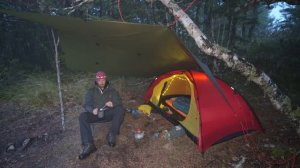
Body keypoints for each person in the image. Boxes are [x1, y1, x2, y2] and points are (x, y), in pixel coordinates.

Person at [78, 71, 124, 160]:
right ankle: (89, 145)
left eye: (103, 79)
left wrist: (113, 103)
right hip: (95, 114)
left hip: (107, 113)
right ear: (96, 80)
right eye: (100, 80)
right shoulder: (91, 91)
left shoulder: (112, 90)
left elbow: (118, 102)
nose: (102, 81)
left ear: (106, 79)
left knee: (120, 110)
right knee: (82, 116)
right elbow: (86, 104)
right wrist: (92, 110)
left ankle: (112, 134)